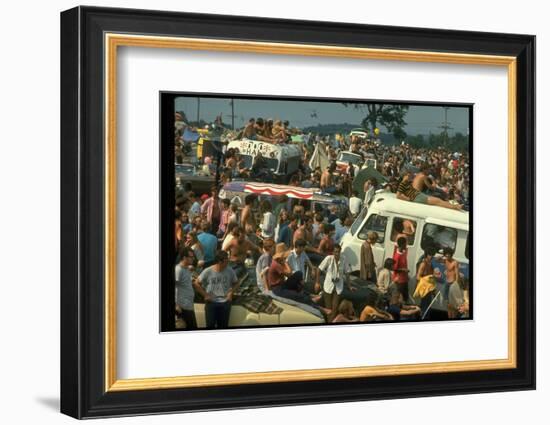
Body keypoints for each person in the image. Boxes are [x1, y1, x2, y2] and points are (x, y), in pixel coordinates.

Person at [195, 251, 239, 329]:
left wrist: (231, 293)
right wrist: (205, 294)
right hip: (211, 303)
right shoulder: (208, 271)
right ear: (219, 261)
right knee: (210, 326)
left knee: (223, 327)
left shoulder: (230, 270)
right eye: (226, 262)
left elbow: (236, 283)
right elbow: (196, 283)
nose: (227, 263)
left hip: (225, 303)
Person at [316, 244, 348, 322]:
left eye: (338, 252)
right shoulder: (329, 258)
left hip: (338, 286)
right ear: (333, 252)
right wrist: (317, 282)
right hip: (328, 286)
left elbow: (347, 273)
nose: (337, 254)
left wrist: (350, 286)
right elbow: (319, 269)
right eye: (335, 252)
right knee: (328, 309)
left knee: (334, 308)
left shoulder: (344, 259)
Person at [397, 173, 462, 210]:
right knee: (437, 201)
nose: (409, 176)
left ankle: (455, 205)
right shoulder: (402, 183)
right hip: (417, 197)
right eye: (407, 175)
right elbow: (398, 195)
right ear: (404, 176)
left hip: (419, 195)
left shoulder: (407, 182)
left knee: (438, 200)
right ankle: (455, 207)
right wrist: (407, 199)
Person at [175, 247, 198, 329]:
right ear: (184, 258)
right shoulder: (178, 270)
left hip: (189, 306)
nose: (193, 258)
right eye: (191, 257)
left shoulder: (187, 268)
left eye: (193, 256)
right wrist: (176, 305)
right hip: (182, 307)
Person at [392, 236, 409, 303]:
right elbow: (394, 269)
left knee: (405, 297)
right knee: (399, 298)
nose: (406, 245)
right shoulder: (397, 256)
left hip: (404, 279)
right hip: (399, 280)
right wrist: (403, 270)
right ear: (402, 245)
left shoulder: (403, 253)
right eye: (405, 244)